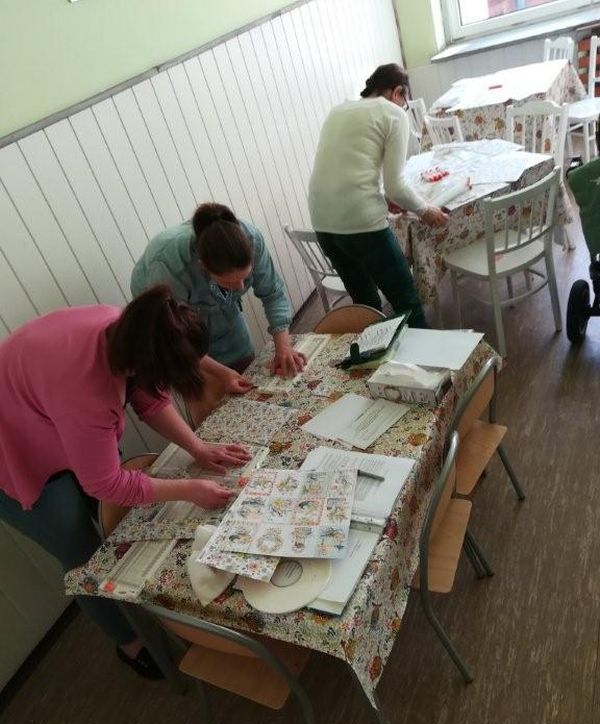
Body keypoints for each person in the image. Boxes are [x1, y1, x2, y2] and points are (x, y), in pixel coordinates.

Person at [0, 286, 251, 679]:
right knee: (85, 555)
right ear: (141, 365)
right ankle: (130, 643)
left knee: (121, 521)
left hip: (48, 413)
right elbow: (107, 486)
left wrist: (198, 448)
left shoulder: (135, 329)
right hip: (12, 453)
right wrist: (190, 489)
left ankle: (156, 608)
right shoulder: (87, 391)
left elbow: (149, 398)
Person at [308, 63, 448, 328]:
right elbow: (396, 186)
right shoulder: (393, 114)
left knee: (366, 306)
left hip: (323, 223)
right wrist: (426, 210)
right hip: (363, 225)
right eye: (404, 101)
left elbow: (347, 173)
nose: (403, 107)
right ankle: (423, 352)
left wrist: (383, 199)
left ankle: (380, 351)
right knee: (407, 302)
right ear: (398, 92)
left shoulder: (338, 110)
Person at [131, 203, 306, 395]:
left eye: (245, 277)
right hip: (169, 325)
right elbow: (174, 337)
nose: (241, 287)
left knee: (245, 367)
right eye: (230, 282)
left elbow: (273, 293)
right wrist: (221, 373)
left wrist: (283, 346)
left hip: (218, 312)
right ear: (203, 266)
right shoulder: (169, 267)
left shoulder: (252, 239)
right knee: (206, 394)